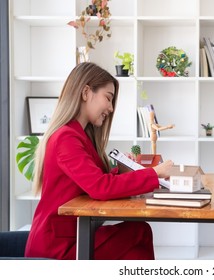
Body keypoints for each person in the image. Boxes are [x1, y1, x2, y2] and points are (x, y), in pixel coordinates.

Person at [25, 62, 173, 260]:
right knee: (139, 232)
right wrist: (155, 173)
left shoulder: (79, 136)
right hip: (58, 245)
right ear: (86, 92)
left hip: (72, 236)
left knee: (138, 234)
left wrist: (119, 172)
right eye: (108, 98)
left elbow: (88, 183)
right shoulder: (66, 137)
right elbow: (99, 187)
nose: (111, 108)